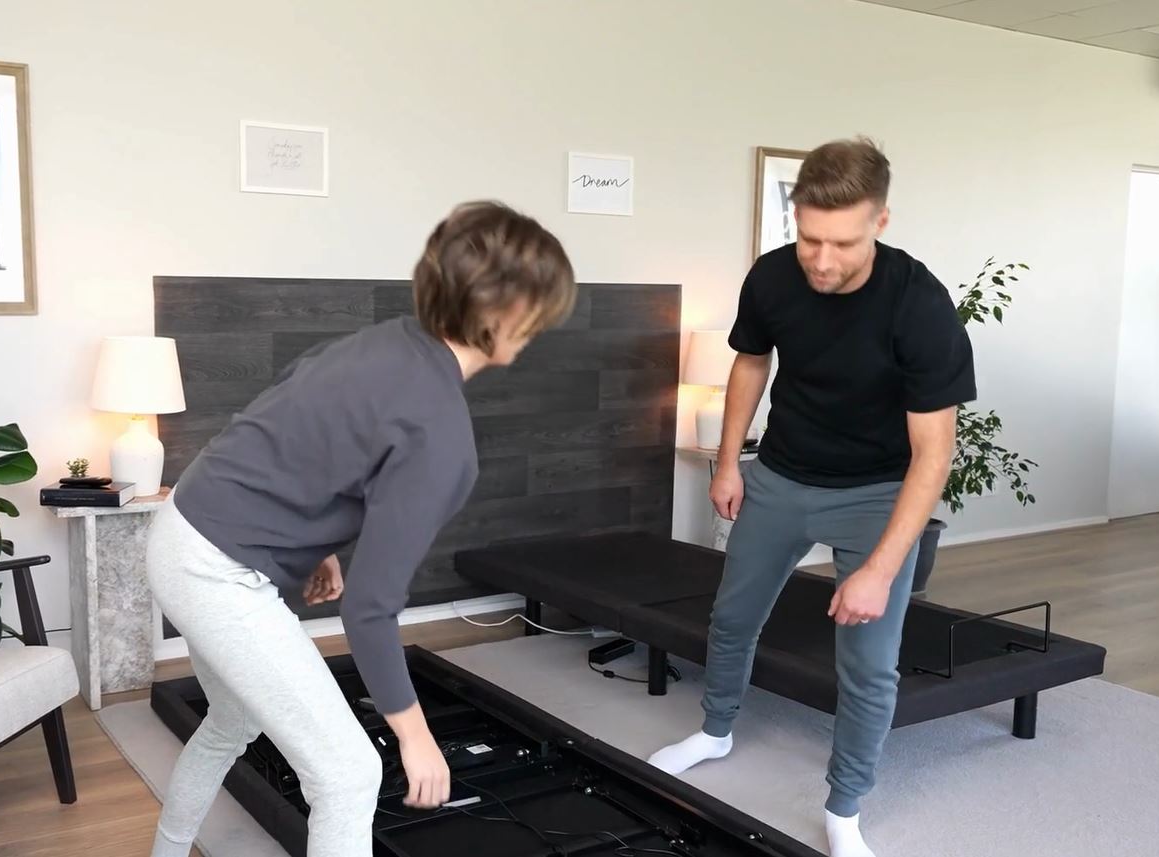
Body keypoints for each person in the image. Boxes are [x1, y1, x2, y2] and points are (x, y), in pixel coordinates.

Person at [145, 200, 578, 857]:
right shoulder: (440, 436)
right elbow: (369, 611)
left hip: (179, 528)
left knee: (231, 722)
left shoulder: (385, 340)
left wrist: (315, 543)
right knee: (348, 775)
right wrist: (414, 733)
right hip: (214, 570)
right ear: (506, 313)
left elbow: (290, 426)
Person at [646, 137, 974, 857]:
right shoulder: (771, 276)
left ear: (880, 222)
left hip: (877, 494)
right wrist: (728, 463)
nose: (821, 260)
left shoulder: (918, 305)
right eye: (809, 239)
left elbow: (933, 454)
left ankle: (845, 808)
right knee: (732, 617)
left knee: (868, 663)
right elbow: (750, 362)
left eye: (843, 243)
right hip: (781, 476)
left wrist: (880, 569)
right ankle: (714, 730)